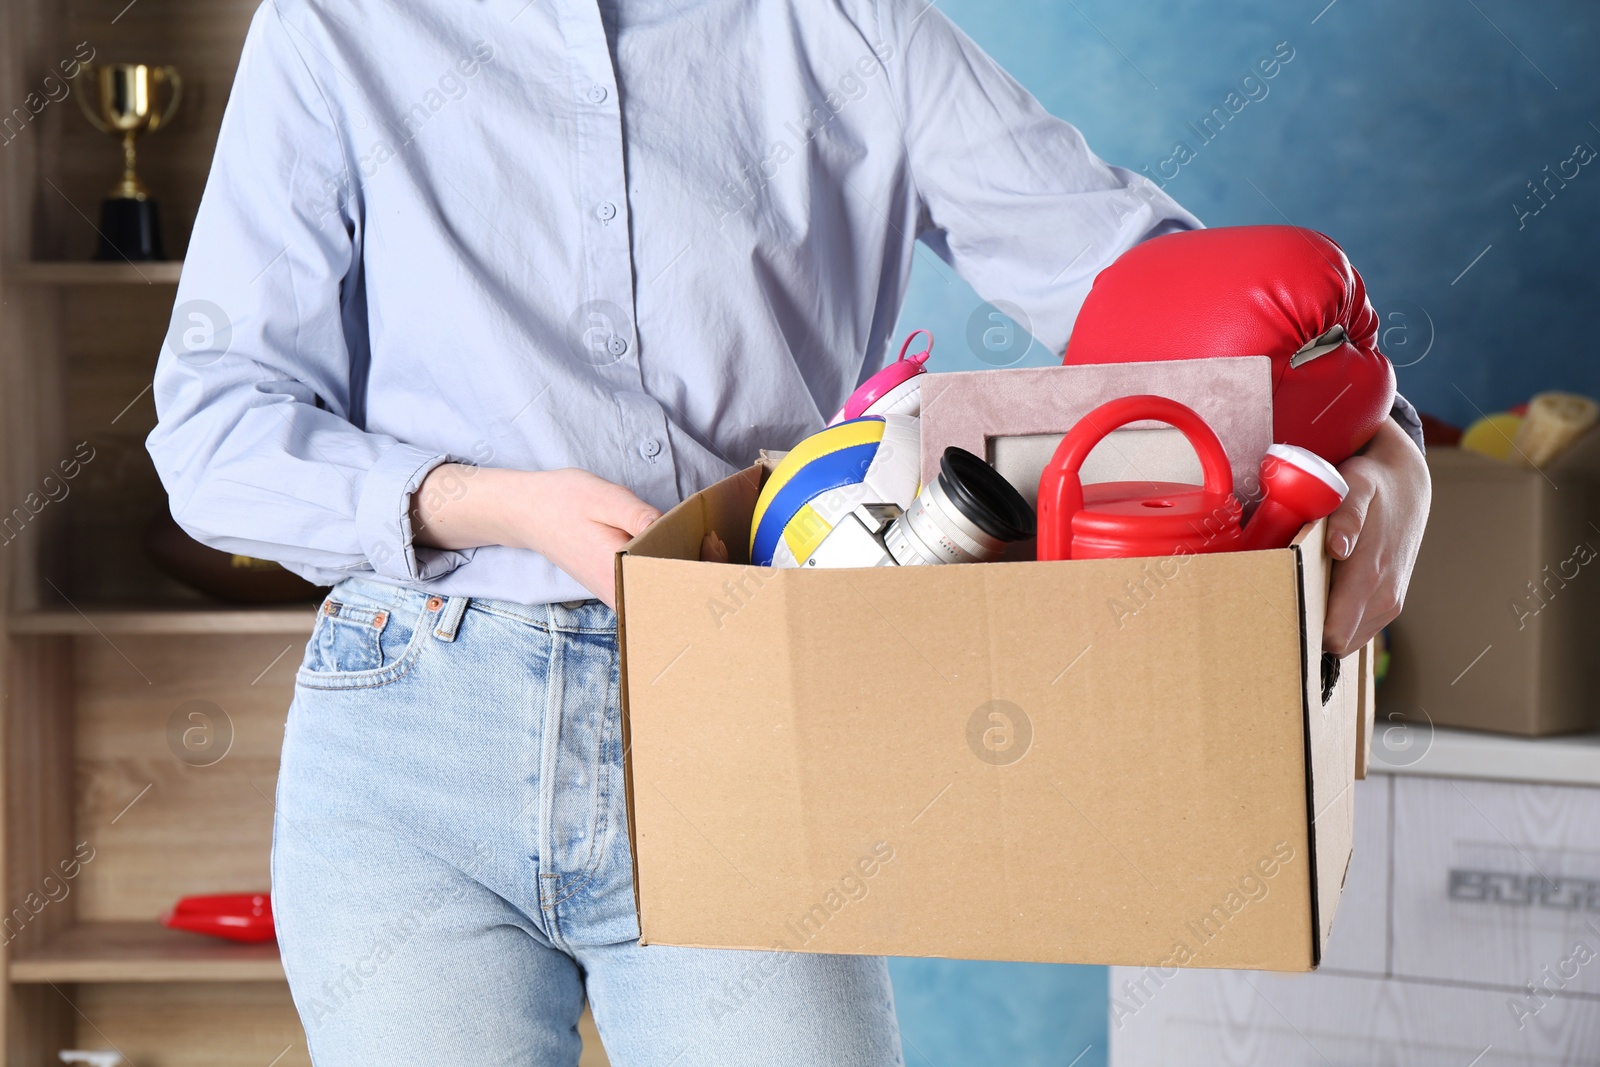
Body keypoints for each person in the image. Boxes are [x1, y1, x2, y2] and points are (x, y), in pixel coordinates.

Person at [145, 1, 1430, 1063]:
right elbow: (213, 427)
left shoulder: (845, 27)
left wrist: (1386, 442)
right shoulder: (335, 28)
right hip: (416, 721)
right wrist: (491, 498)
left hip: (745, 714)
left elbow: (1158, 291)